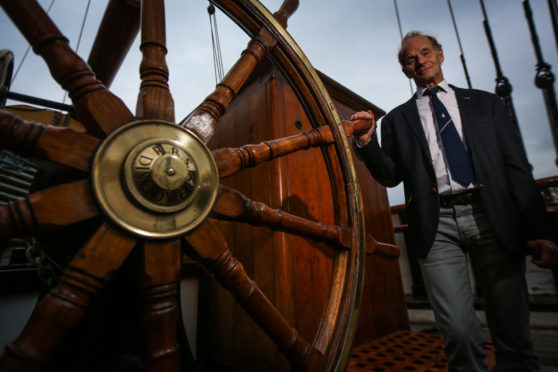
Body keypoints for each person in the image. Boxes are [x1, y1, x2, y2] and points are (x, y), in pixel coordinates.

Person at [352, 31, 558, 371]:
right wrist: (366, 141)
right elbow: (390, 176)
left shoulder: (486, 103)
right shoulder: (398, 120)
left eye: (425, 52)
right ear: (405, 70)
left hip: (493, 217)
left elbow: (516, 166)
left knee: (513, 330)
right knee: (458, 332)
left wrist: (539, 228)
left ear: (441, 55)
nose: (419, 60)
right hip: (437, 227)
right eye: (410, 59)